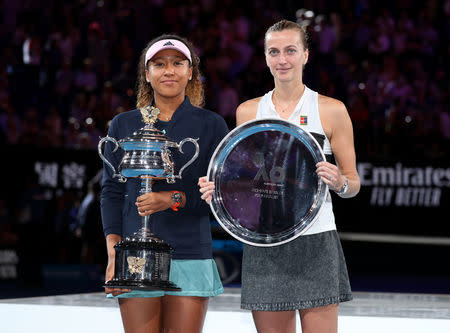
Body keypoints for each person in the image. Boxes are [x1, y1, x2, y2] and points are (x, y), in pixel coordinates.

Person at [199, 20, 360, 333]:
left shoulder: (331, 109)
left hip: (317, 240)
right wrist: (220, 189)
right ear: (265, 56)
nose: (282, 59)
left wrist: (339, 181)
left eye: (290, 50)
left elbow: (352, 183)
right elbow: (248, 181)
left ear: (306, 55)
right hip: (264, 243)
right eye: (274, 51)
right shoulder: (248, 112)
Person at [100, 34, 229, 333]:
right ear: (147, 74)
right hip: (132, 255)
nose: (168, 70)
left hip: (191, 251)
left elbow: (220, 196)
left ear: (190, 71)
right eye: (159, 64)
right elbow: (112, 193)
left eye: (177, 63)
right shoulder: (123, 124)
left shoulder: (212, 125)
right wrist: (113, 254)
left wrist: (172, 198)